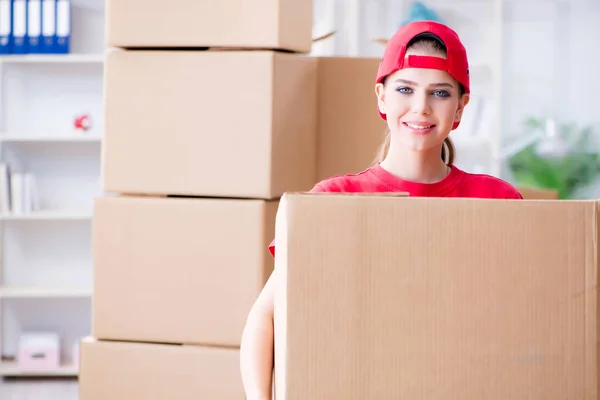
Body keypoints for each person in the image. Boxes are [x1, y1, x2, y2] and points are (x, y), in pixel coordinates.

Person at [239, 20, 523, 400]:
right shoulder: (334, 200)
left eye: (439, 92)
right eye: (405, 89)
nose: (420, 107)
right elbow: (264, 318)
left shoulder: (497, 202)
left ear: (460, 107)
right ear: (381, 97)